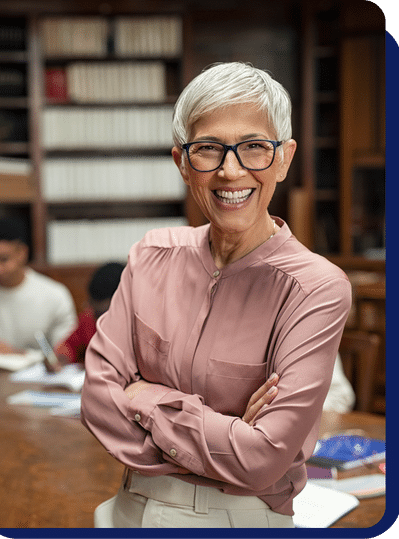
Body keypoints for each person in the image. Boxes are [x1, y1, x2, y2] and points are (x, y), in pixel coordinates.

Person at [80, 62, 352, 528]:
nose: (231, 171)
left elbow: (261, 459)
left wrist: (143, 397)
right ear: (182, 163)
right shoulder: (150, 256)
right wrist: (225, 432)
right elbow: (96, 402)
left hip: (238, 520)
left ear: (284, 158)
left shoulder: (316, 288)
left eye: (253, 148)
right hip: (125, 507)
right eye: (208, 149)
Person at [0, 219, 77, 354]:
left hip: (35, 373)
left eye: (3, 259)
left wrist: (18, 353)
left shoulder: (55, 295)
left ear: (22, 253)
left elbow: (64, 353)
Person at [54, 262, 125, 367]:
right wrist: (60, 358)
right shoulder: (89, 318)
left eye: (102, 313)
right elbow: (70, 345)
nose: (97, 319)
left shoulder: (143, 327)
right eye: (92, 305)